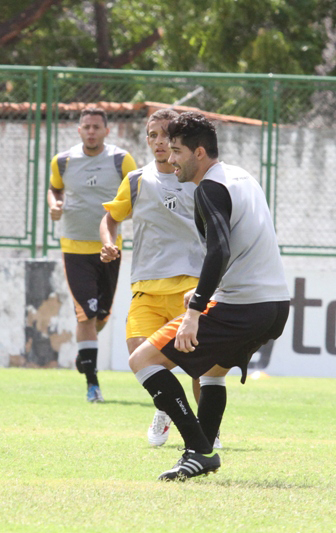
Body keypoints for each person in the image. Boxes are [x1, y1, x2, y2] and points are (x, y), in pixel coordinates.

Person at [128, 112, 289, 481]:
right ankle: (199, 454)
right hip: (274, 304)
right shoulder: (242, 177)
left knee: (143, 362)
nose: (171, 160)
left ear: (199, 152)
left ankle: (199, 448)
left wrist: (195, 310)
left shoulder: (209, 188)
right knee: (213, 373)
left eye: (178, 152)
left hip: (244, 305)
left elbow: (220, 250)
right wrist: (207, 291)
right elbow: (244, 246)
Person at [99, 108, 216, 448]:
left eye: (166, 134)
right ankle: (165, 410)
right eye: (153, 135)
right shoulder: (136, 180)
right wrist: (108, 243)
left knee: (201, 367)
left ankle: (209, 428)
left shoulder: (200, 180)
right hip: (146, 288)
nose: (159, 141)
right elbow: (110, 218)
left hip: (190, 288)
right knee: (141, 362)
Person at [48, 107, 138, 402]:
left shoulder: (120, 160)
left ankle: (84, 355)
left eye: (96, 127)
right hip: (74, 247)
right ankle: (92, 383)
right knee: (86, 315)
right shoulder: (62, 161)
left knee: (102, 315)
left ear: (106, 130)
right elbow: (54, 190)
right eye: (86, 126)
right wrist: (55, 205)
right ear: (78, 130)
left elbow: (139, 190)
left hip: (109, 247)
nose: (91, 131)